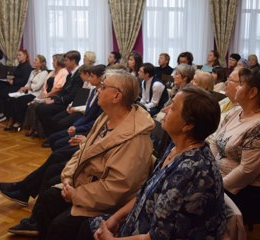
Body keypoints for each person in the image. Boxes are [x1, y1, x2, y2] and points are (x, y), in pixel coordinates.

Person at [7, 69, 155, 239]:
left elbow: (116, 188)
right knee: (48, 199)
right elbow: (82, 153)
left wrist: (76, 195)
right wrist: (68, 178)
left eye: (103, 87)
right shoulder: (106, 118)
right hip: (83, 185)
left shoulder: (135, 139)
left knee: (59, 226)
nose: (98, 90)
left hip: (105, 201)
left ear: (117, 96)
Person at [91, 87, 226, 240]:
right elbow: (145, 194)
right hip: (136, 226)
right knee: (85, 220)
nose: (165, 109)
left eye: (173, 106)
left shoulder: (190, 172)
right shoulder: (176, 147)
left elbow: (158, 236)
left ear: (188, 125)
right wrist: (116, 219)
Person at [210, 69, 260, 224]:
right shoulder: (236, 111)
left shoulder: (257, 125)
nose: (234, 87)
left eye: (240, 84)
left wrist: (217, 185)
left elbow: (247, 171)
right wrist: (211, 170)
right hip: (217, 177)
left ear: (252, 92)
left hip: (242, 191)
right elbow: (214, 140)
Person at [35, 50, 83, 138]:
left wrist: (54, 100)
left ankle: (51, 135)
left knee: (42, 109)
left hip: (69, 103)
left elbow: (72, 96)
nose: (64, 63)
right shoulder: (71, 74)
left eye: (66, 60)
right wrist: (53, 99)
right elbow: (63, 91)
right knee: (40, 107)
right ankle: (49, 135)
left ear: (73, 61)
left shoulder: (79, 75)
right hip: (63, 100)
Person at [23, 53, 68, 137]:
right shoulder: (52, 72)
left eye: (54, 60)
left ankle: (40, 131)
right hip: (46, 94)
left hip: (54, 96)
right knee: (31, 106)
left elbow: (59, 88)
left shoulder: (64, 72)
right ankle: (34, 129)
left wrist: (47, 95)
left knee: (37, 106)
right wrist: (41, 95)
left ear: (59, 61)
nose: (52, 62)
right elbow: (45, 86)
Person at [3, 55, 48, 131]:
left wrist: (27, 88)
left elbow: (38, 86)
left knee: (20, 100)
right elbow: (28, 83)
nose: (34, 61)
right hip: (28, 92)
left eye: (36, 60)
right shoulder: (32, 71)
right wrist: (22, 88)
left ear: (41, 63)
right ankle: (11, 119)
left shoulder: (44, 73)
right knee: (12, 99)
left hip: (36, 94)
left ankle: (19, 121)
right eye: (34, 59)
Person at [0, 49, 32, 123]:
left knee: (0, 93)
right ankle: (1, 111)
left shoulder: (27, 67)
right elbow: (17, 76)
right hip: (14, 84)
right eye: (17, 55)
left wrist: (13, 81)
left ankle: (2, 113)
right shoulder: (20, 65)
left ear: (25, 56)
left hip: (19, 87)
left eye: (20, 55)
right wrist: (11, 79)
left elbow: (25, 81)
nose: (18, 57)